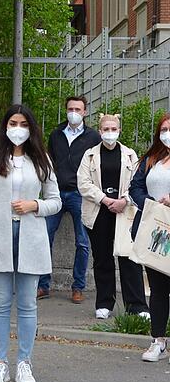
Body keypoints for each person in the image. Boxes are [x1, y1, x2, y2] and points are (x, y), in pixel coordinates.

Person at [0, 105, 61, 382]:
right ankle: (0, 363)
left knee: (27, 304)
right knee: (0, 304)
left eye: (23, 123)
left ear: (31, 128)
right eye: (13, 122)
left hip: (31, 237)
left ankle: (24, 363)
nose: (18, 128)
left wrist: (34, 205)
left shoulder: (42, 160)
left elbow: (56, 201)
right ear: (5, 126)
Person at [77, 114, 149, 319]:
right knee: (102, 259)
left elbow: (137, 181)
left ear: (119, 130)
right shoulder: (89, 155)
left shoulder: (129, 154)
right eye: (106, 129)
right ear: (100, 131)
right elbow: (83, 183)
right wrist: (105, 200)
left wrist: (123, 200)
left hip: (124, 212)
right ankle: (104, 303)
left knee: (129, 258)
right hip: (99, 212)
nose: (110, 133)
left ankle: (136, 306)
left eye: (113, 129)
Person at [38, 96, 100, 302]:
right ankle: (42, 285)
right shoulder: (56, 134)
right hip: (56, 192)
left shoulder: (93, 137)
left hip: (79, 195)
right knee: (45, 237)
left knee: (83, 243)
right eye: (70, 108)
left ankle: (78, 287)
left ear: (85, 112)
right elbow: (49, 161)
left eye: (78, 109)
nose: (74, 112)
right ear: (66, 110)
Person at [129, 113, 170, 362]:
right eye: (163, 129)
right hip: (155, 230)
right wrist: (151, 204)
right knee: (158, 288)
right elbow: (135, 187)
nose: (167, 133)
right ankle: (158, 340)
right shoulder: (152, 158)